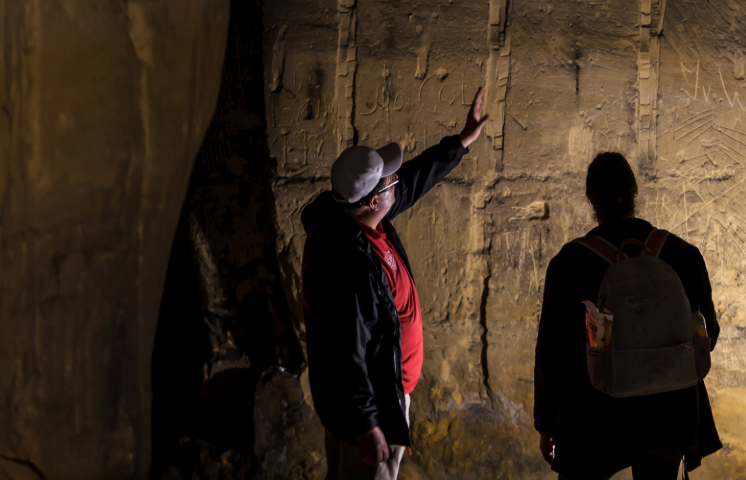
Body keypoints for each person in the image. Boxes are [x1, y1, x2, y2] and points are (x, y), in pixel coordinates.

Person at [301, 89, 489, 480]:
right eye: (389, 184)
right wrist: (367, 422)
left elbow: (414, 179)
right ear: (372, 201)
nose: (396, 184)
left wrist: (461, 142)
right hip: (372, 403)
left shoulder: (355, 220)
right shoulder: (348, 264)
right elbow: (348, 348)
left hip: (376, 396)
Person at [533, 152, 723, 480]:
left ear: (591, 199)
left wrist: (548, 423)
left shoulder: (568, 264)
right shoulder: (683, 255)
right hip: (670, 414)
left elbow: (553, 354)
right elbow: (709, 334)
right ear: (635, 194)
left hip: (594, 416)